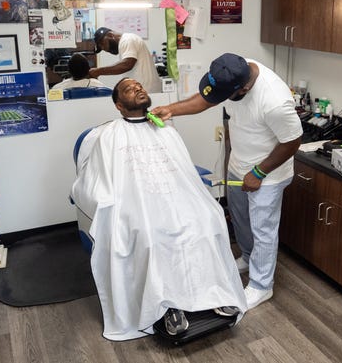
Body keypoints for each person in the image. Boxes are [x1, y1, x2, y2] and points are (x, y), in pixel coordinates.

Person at [71, 77, 247, 341]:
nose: (138, 89)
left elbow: (183, 172)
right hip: (133, 202)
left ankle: (213, 294)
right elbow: (98, 179)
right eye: (130, 89)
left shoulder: (165, 129)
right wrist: (108, 203)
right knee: (152, 234)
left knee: (207, 220)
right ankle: (166, 307)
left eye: (139, 86)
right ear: (119, 105)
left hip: (174, 196)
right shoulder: (108, 135)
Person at [151, 53, 303, 311]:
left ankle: (261, 285)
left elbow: (292, 141)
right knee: (241, 218)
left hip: (267, 173)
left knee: (262, 229)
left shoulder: (274, 101)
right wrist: (170, 110)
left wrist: (259, 173)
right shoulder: (233, 69)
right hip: (239, 164)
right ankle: (246, 257)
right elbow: (206, 100)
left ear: (243, 88)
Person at [91, 27, 162, 93]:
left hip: (146, 91)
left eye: (103, 44)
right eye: (102, 48)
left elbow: (127, 64)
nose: (105, 49)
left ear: (110, 35)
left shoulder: (127, 40)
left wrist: (98, 71)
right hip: (143, 90)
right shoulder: (127, 40)